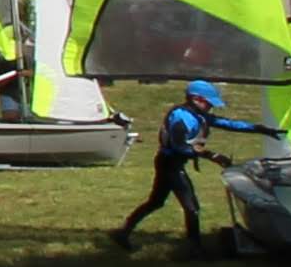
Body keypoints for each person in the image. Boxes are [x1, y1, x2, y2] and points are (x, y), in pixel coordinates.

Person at [112, 79, 274, 251]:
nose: (211, 107)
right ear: (196, 99)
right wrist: (212, 155)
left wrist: (259, 129)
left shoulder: (198, 115)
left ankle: (123, 233)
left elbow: (227, 123)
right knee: (192, 207)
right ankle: (194, 249)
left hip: (171, 163)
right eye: (209, 103)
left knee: (156, 202)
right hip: (170, 164)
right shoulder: (182, 118)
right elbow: (180, 146)